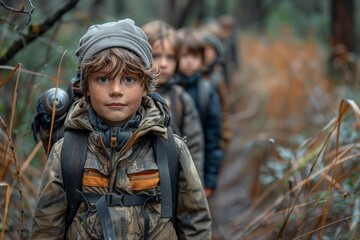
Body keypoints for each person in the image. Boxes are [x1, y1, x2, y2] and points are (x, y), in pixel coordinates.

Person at [30, 18, 211, 239]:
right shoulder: (66, 151)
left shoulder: (171, 149)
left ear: (145, 86)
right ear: (86, 86)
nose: (116, 90)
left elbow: (195, 222)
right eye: (103, 79)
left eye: (128, 79)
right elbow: (46, 226)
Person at [142, 19, 205, 182]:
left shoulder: (181, 98)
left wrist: (194, 188)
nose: (163, 64)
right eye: (156, 56)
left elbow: (194, 147)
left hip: (172, 182)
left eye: (170, 57)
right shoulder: (132, 96)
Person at [176, 27, 224, 198]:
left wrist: (210, 179)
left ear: (203, 60)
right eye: (184, 56)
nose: (189, 62)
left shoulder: (207, 91)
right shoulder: (167, 90)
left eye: (195, 57)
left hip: (198, 163)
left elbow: (213, 137)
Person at [201, 32, 232, 154]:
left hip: (213, 134)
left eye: (211, 50)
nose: (207, 54)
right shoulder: (193, 77)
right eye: (204, 50)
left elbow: (224, 109)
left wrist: (225, 136)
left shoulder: (217, 79)